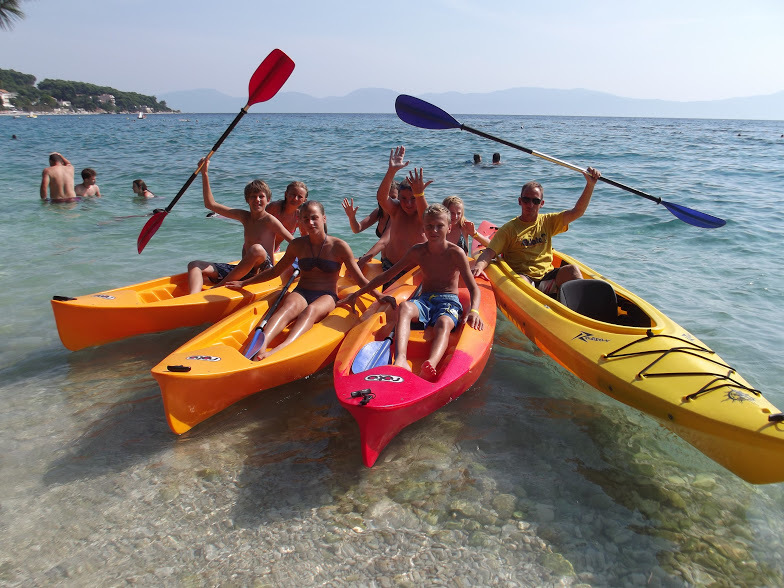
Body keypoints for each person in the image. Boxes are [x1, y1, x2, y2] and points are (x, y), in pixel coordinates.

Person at [340, 204, 484, 381]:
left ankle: (431, 363)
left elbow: (473, 288)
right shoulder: (418, 251)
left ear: (449, 227)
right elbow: (387, 275)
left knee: (444, 323)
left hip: (448, 302)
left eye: (439, 226)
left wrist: (474, 310)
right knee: (405, 307)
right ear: (423, 228)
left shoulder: (456, 253)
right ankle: (401, 359)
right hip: (424, 300)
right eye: (429, 226)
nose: (434, 230)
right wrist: (358, 293)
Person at [226, 200, 379, 361]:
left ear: (324, 218)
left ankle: (280, 349)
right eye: (305, 219)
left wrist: (379, 296)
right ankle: (260, 346)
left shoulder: (339, 246)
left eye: (314, 217)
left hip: (327, 295)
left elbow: (359, 279)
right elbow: (275, 271)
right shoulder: (297, 245)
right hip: (302, 291)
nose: (310, 222)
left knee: (310, 311)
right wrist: (244, 283)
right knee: (287, 308)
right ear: (301, 222)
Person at [472, 167, 602, 295]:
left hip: (548, 277)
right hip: (524, 278)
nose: (530, 205)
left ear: (542, 203)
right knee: (522, 281)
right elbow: (489, 252)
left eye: (535, 201)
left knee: (572, 270)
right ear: (519, 201)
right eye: (526, 200)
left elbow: (577, 212)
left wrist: (590, 185)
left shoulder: (548, 221)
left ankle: (581, 304)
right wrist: (478, 268)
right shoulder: (509, 229)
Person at [187, 158, 293, 294]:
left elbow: (294, 242)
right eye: (253, 196)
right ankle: (193, 297)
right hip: (245, 271)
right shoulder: (244, 216)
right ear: (247, 200)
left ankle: (218, 287)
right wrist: (205, 173)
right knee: (194, 265)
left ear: (268, 200)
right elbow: (210, 204)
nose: (257, 200)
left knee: (256, 249)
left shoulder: (270, 220)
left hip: (263, 272)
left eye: (261, 196)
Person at [375, 146, 428, 284]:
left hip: (416, 271)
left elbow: (426, 217)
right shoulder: (396, 209)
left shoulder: (423, 212)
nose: (408, 203)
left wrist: (420, 194)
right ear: (398, 197)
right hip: (390, 267)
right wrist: (391, 171)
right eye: (404, 198)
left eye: (413, 199)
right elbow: (381, 198)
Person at [266, 181, 308, 250]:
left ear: (304, 200)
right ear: (286, 194)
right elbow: (257, 224)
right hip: (257, 248)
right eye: (293, 195)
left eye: (300, 197)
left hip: (275, 251)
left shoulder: (300, 216)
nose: (295, 198)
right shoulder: (274, 207)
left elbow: (305, 238)